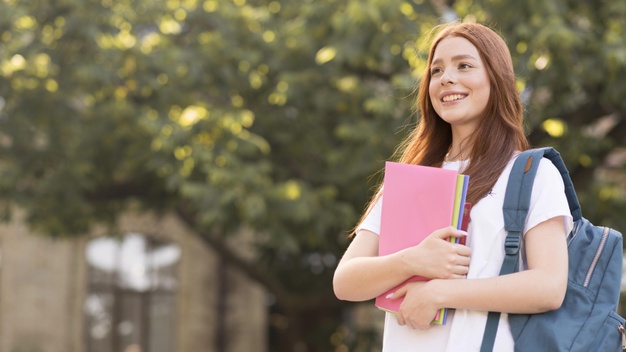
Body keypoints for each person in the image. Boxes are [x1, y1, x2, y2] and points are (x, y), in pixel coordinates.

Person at [332, 22, 574, 351]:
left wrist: (439, 293)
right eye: (436, 70)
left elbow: (548, 286)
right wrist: (412, 261)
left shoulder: (532, 173)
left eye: (464, 66)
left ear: (495, 78)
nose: (446, 78)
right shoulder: (410, 178)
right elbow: (345, 281)